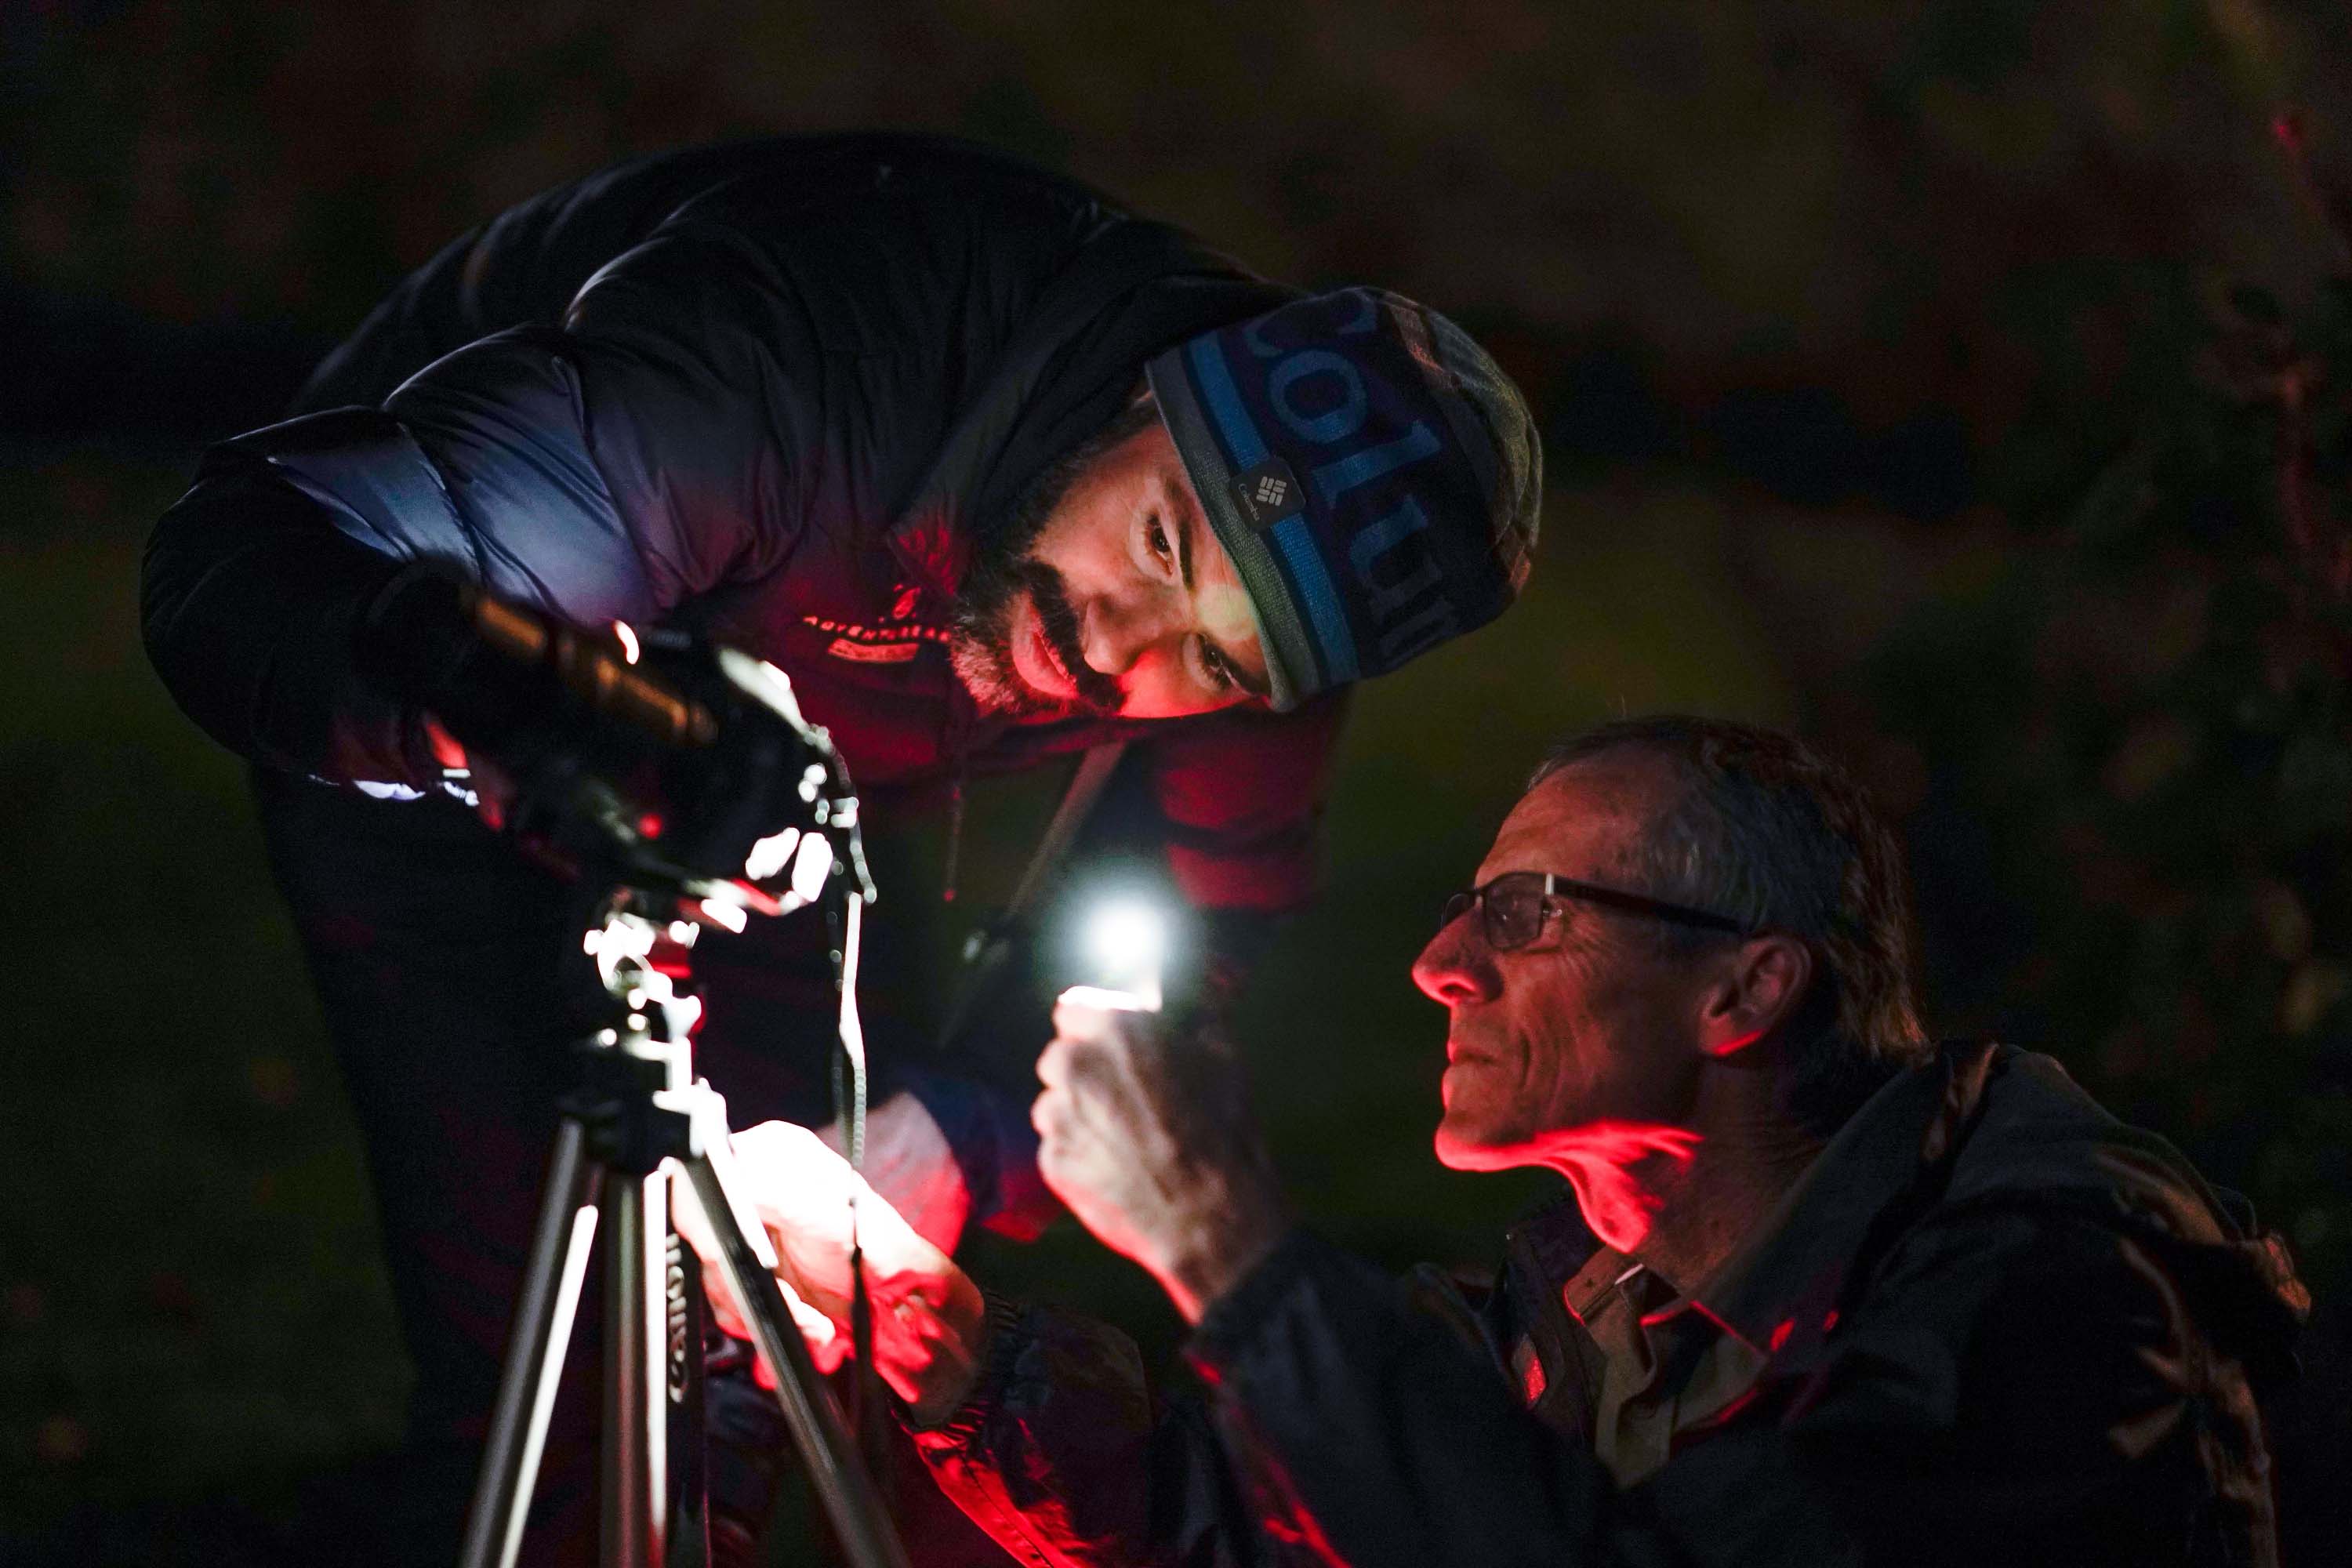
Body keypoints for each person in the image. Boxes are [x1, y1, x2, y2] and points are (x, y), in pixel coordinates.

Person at [137, 132, 1540, 1560]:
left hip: (779, 791)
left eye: (1220, 665)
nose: (1116, 650)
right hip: (432, 690)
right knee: (535, 1349)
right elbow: (263, 563)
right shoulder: (795, 363)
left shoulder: (1285, 637)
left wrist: (951, 1129)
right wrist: (551, 716)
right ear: (1139, 396)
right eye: (1164, 544)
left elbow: (1201, 932)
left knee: (749, 1328)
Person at [713, 715, 2310, 1567]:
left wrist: (1231, 1240)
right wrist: (938, 1332)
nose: (1442, 965)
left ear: (1747, 985)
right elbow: (1263, 1527)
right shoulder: (1588, 1315)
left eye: (1527, 911)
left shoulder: (2061, 1298)